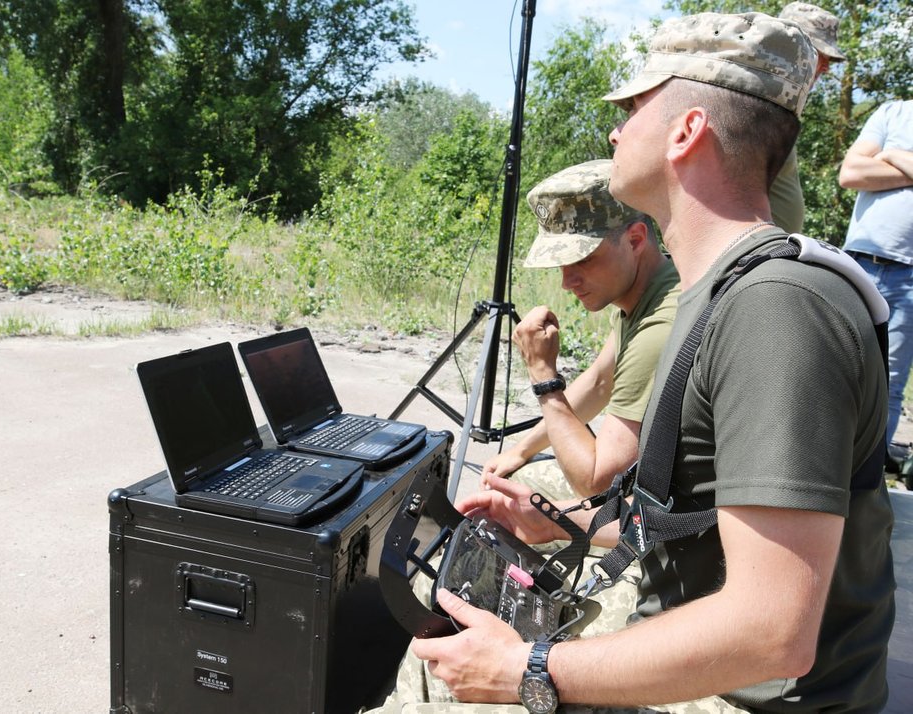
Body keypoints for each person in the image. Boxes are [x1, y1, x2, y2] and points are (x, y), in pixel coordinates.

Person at [382, 12, 893, 713]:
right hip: (707, 654)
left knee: (432, 695)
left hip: (742, 698)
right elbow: (706, 523)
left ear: (687, 132)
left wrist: (530, 671)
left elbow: (775, 633)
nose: (617, 130)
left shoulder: (775, 308)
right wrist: (560, 523)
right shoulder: (714, 293)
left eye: (633, 107)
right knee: (437, 641)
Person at [481, 159, 680, 499]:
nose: (567, 282)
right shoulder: (649, 289)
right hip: (666, 496)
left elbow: (597, 484)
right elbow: (600, 381)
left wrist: (544, 377)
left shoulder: (663, 322)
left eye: (583, 259)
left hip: (681, 524)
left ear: (634, 240)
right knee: (510, 479)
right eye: (562, 262)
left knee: (503, 500)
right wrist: (520, 450)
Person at [839, 98, 913, 469]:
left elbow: (866, 167)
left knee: (888, 382)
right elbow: (850, 173)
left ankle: (867, 493)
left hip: (910, 278)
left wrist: (891, 155)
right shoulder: (892, 112)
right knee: (834, 363)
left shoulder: (892, 132)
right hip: (859, 262)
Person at [768, 2, 846, 233]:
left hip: (765, 259)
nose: (825, 68)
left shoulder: (781, 104)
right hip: (742, 260)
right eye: (818, 54)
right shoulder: (748, 102)